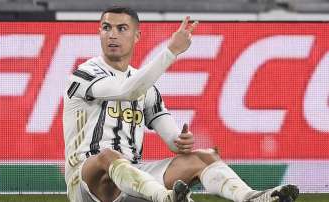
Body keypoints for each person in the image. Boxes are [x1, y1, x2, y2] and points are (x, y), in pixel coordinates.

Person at [63, 6, 299, 202]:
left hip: (132, 181)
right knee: (108, 155)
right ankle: (167, 198)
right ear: (100, 33)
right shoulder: (85, 74)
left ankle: (253, 197)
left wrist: (182, 141)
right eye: (106, 28)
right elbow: (129, 89)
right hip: (86, 182)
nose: (112, 34)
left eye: (121, 28)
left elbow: (173, 139)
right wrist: (171, 51)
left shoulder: (148, 90)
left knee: (203, 157)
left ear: (136, 36)